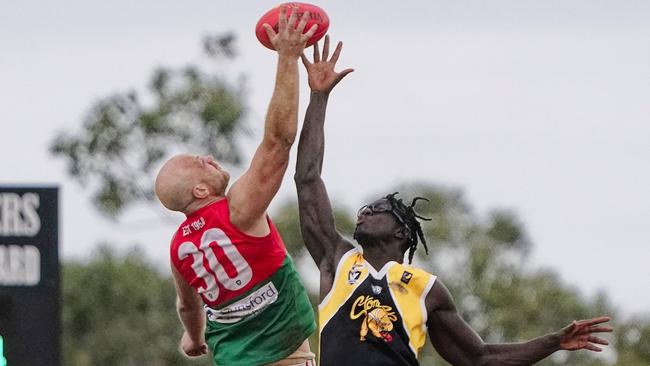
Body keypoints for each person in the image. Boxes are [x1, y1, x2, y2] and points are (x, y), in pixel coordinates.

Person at [294, 36, 613, 366]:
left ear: (402, 232)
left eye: (379, 210)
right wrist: (319, 96)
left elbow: (480, 359)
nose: (366, 211)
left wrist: (555, 341)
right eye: (366, 208)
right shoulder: (339, 260)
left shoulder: (426, 289)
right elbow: (307, 179)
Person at [154, 6, 318, 366]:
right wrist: (287, 58)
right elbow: (277, 142)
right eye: (200, 164)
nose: (209, 157)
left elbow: (187, 305)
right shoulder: (237, 209)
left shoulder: (180, 248)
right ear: (200, 192)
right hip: (284, 357)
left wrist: (194, 337)